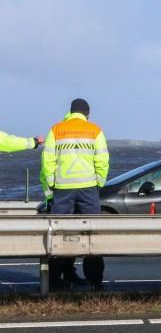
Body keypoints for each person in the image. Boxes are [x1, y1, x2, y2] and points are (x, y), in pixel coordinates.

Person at [41, 99, 110, 291]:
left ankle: (54, 280)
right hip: (88, 188)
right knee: (92, 234)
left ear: (70, 112)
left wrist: (53, 182)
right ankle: (96, 281)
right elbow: (102, 159)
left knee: (60, 234)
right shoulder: (95, 130)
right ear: (87, 113)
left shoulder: (56, 129)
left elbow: (48, 160)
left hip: (63, 188)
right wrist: (99, 181)